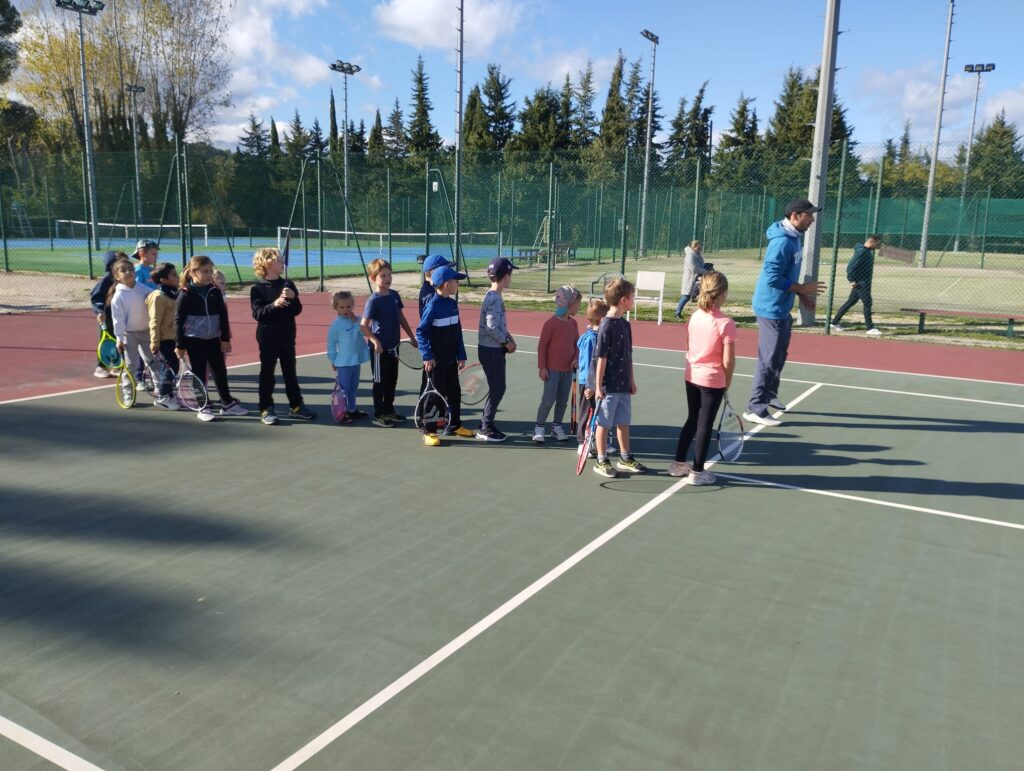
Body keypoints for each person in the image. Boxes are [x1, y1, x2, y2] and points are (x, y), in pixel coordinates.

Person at [744, 198, 825, 427]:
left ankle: (769, 395)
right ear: (795, 216)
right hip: (770, 307)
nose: (812, 220)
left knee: (779, 355)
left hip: (782, 306)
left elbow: (786, 273)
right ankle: (755, 408)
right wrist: (801, 288)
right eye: (809, 215)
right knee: (769, 358)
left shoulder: (794, 237)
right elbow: (772, 277)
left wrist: (800, 294)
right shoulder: (782, 242)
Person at [670, 271, 737, 486]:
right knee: (705, 426)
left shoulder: (694, 317)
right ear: (723, 294)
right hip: (712, 381)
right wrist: (727, 381)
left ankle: (678, 464)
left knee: (692, 419)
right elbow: (728, 360)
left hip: (691, 376)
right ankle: (697, 472)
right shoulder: (726, 323)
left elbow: (689, 345)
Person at [175, 255, 248, 422]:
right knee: (199, 373)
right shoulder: (185, 294)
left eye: (210, 271)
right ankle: (203, 406)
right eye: (205, 271)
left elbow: (223, 315)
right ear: (193, 272)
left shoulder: (214, 291)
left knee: (220, 371)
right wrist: (180, 344)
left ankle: (227, 404)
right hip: (194, 340)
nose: (209, 275)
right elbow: (178, 321)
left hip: (214, 339)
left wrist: (225, 338)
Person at [250, 248, 315, 425]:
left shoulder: (288, 284)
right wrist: (275, 304)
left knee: (290, 373)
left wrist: (293, 298)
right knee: (267, 374)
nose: (282, 262)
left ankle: (296, 406)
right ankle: (266, 408)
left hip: (287, 337)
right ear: (267, 263)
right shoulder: (258, 289)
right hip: (268, 338)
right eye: (279, 260)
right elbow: (258, 314)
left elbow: (297, 310)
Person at [592, 277, 646, 477]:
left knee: (623, 422)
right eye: (632, 297)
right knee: (604, 424)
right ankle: (601, 460)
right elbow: (601, 358)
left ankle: (625, 457)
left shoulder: (625, 325)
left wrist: (631, 380)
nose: (634, 300)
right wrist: (598, 386)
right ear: (624, 300)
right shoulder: (606, 325)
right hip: (609, 387)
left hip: (623, 385)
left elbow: (629, 355)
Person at [416, 265, 474, 446]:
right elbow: (421, 332)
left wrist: (461, 354)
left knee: (454, 392)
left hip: (450, 360)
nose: (458, 284)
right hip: (436, 361)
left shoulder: (452, 304)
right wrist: (427, 356)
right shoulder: (432, 305)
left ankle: (454, 425)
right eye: (456, 281)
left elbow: (457, 332)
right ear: (447, 284)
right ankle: (429, 431)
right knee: (434, 395)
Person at [361, 258, 417, 427]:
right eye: (383, 276)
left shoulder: (394, 295)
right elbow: (363, 326)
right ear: (373, 278)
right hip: (379, 350)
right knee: (380, 382)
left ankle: (389, 410)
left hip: (394, 348)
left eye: (389, 275)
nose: (388, 278)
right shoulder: (373, 300)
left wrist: (411, 336)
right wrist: (375, 342)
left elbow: (401, 317)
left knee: (392, 380)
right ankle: (379, 415)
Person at [476, 256, 518, 442]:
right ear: (506, 276)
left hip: (492, 349)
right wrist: (506, 342)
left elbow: (497, 324)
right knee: (498, 388)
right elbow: (491, 327)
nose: (511, 277)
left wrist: (509, 337)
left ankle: (487, 423)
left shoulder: (493, 295)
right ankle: (485, 427)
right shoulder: (494, 298)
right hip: (491, 351)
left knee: (497, 387)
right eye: (510, 274)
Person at [532, 285, 581, 443]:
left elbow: (577, 345)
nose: (579, 307)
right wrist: (542, 367)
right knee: (548, 400)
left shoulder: (573, 324)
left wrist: (576, 358)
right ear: (568, 304)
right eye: (577, 304)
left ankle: (556, 427)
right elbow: (542, 346)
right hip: (552, 370)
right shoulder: (550, 324)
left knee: (562, 401)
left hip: (567, 371)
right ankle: (539, 427)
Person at [327, 290, 371, 424]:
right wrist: (333, 360)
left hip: (355, 361)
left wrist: (355, 321)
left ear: (352, 306)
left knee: (353, 388)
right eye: (342, 307)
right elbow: (331, 344)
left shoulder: (357, 319)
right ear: (335, 308)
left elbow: (363, 332)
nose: (346, 310)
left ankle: (352, 410)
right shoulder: (336, 325)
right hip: (343, 364)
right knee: (344, 390)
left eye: (348, 307)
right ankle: (342, 412)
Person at [109, 258, 154, 384]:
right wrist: (119, 338)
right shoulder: (118, 297)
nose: (129, 272)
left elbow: (157, 298)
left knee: (153, 362)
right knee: (130, 366)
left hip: (146, 332)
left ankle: (161, 390)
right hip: (129, 335)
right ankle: (128, 392)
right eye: (124, 271)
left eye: (131, 269)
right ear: (117, 276)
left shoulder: (144, 289)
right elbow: (118, 319)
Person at [146, 262, 182, 410]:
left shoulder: (174, 294)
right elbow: (154, 321)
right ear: (163, 279)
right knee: (170, 367)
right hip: (164, 339)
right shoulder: (158, 297)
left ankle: (169, 394)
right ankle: (163, 397)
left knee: (174, 366)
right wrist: (154, 342)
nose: (177, 276)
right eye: (173, 275)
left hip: (174, 338)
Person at [576, 297, 609, 450]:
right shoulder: (591, 339)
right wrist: (591, 386)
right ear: (602, 319)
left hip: (596, 383)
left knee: (598, 412)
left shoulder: (599, 336)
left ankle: (595, 440)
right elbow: (590, 363)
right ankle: (582, 442)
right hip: (588, 384)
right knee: (587, 412)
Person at [832, 235, 882, 337]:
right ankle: (870, 328)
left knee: (851, 301)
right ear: (872, 242)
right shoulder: (862, 252)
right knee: (867, 302)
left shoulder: (866, 251)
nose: (878, 246)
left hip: (862, 282)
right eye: (877, 244)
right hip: (860, 282)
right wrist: (851, 280)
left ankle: (834, 323)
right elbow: (851, 266)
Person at [90, 250, 124, 378]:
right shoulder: (106, 280)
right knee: (107, 343)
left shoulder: (122, 279)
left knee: (119, 340)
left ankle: (116, 366)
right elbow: (96, 297)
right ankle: (101, 367)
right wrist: (100, 311)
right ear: (112, 265)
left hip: (119, 315)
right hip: (107, 317)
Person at [674, 240, 706, 319]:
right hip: (690, 279)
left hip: (698, 278)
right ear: (693, 247)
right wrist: (706, 271)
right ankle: (677, 313)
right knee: (686, 296)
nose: (699, 249)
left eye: (700, 247)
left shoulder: (698, 255)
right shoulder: (690, 256)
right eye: (697, 247)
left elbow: (700, 266)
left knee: (702, 296)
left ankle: (702, 315)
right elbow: (694, 268)